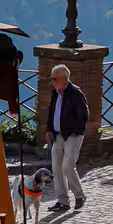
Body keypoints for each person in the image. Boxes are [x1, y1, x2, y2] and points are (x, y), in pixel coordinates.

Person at [45, 63, 89, 213]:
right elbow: (51, 113)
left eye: (55, 78)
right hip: (57, 135)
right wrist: (49, 130)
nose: (53, 81)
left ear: (64, 78)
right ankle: (63, 201)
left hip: (72, 136)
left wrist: (77, 131)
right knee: (56, 169)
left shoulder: (76, 93)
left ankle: (79, 195)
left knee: (67, 167)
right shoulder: (55, 93)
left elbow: (84, 114)